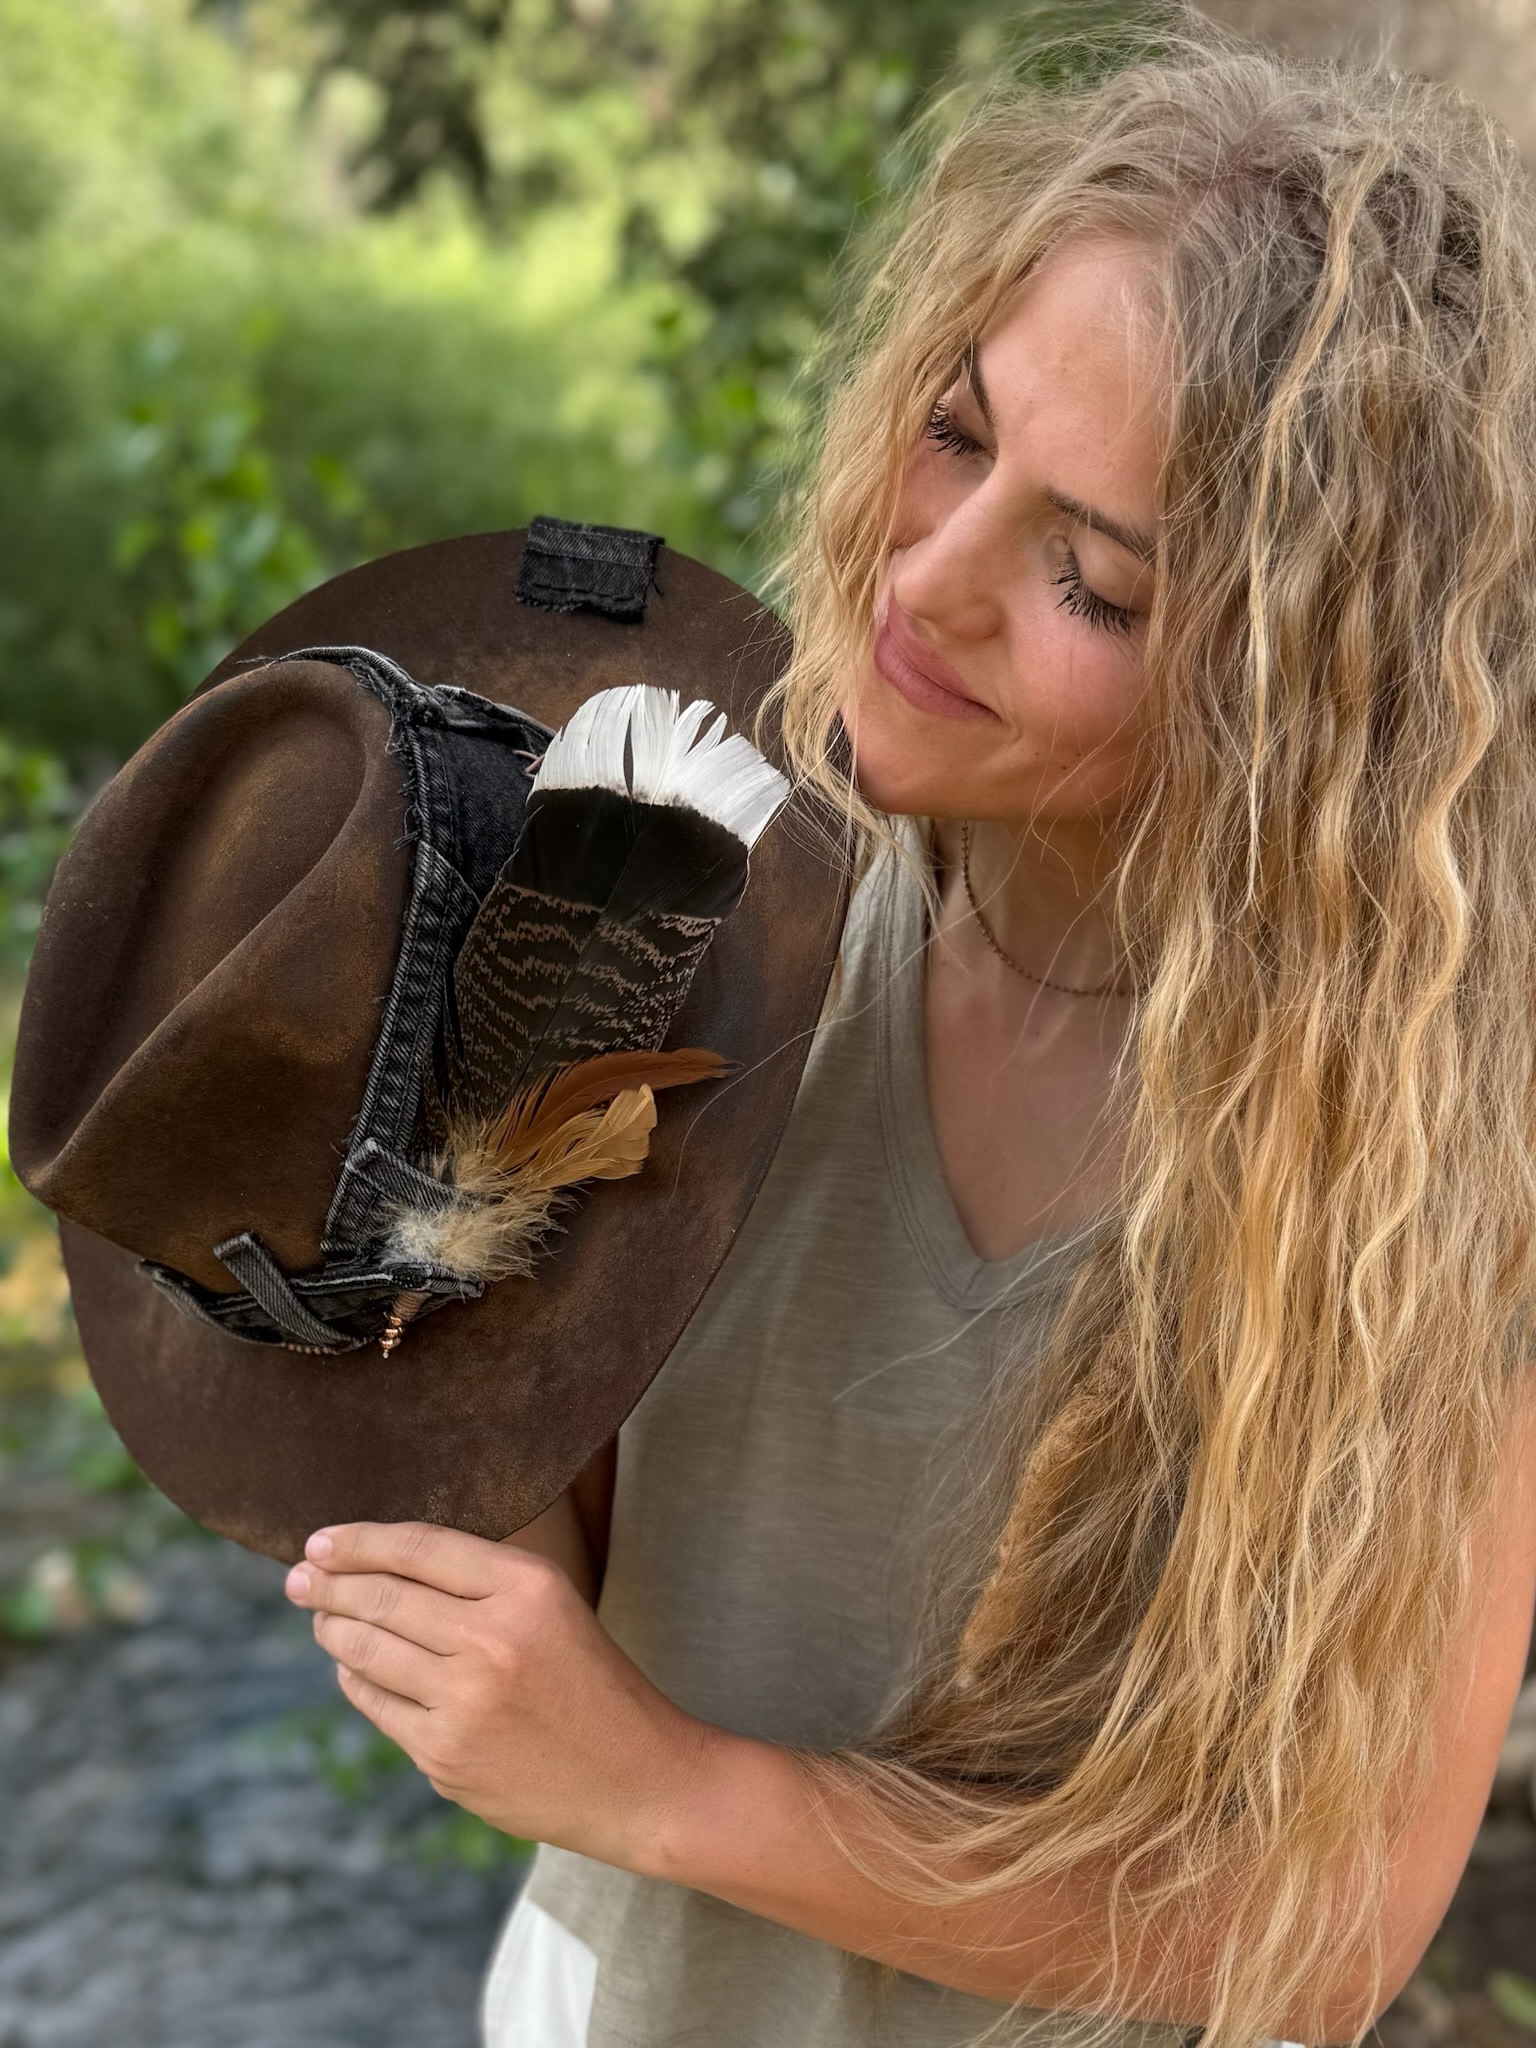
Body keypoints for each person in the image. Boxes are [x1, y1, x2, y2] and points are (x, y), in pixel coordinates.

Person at [281, 19, 1536, 2048]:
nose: (924, 581)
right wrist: (396, 1258)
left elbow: (1308, 1932)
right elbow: (572, 1563)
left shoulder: (1414, 1154)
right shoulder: (703, 903)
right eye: (960, 434)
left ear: (1296, 701)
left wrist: (676, 1792)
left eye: (1096, 581)